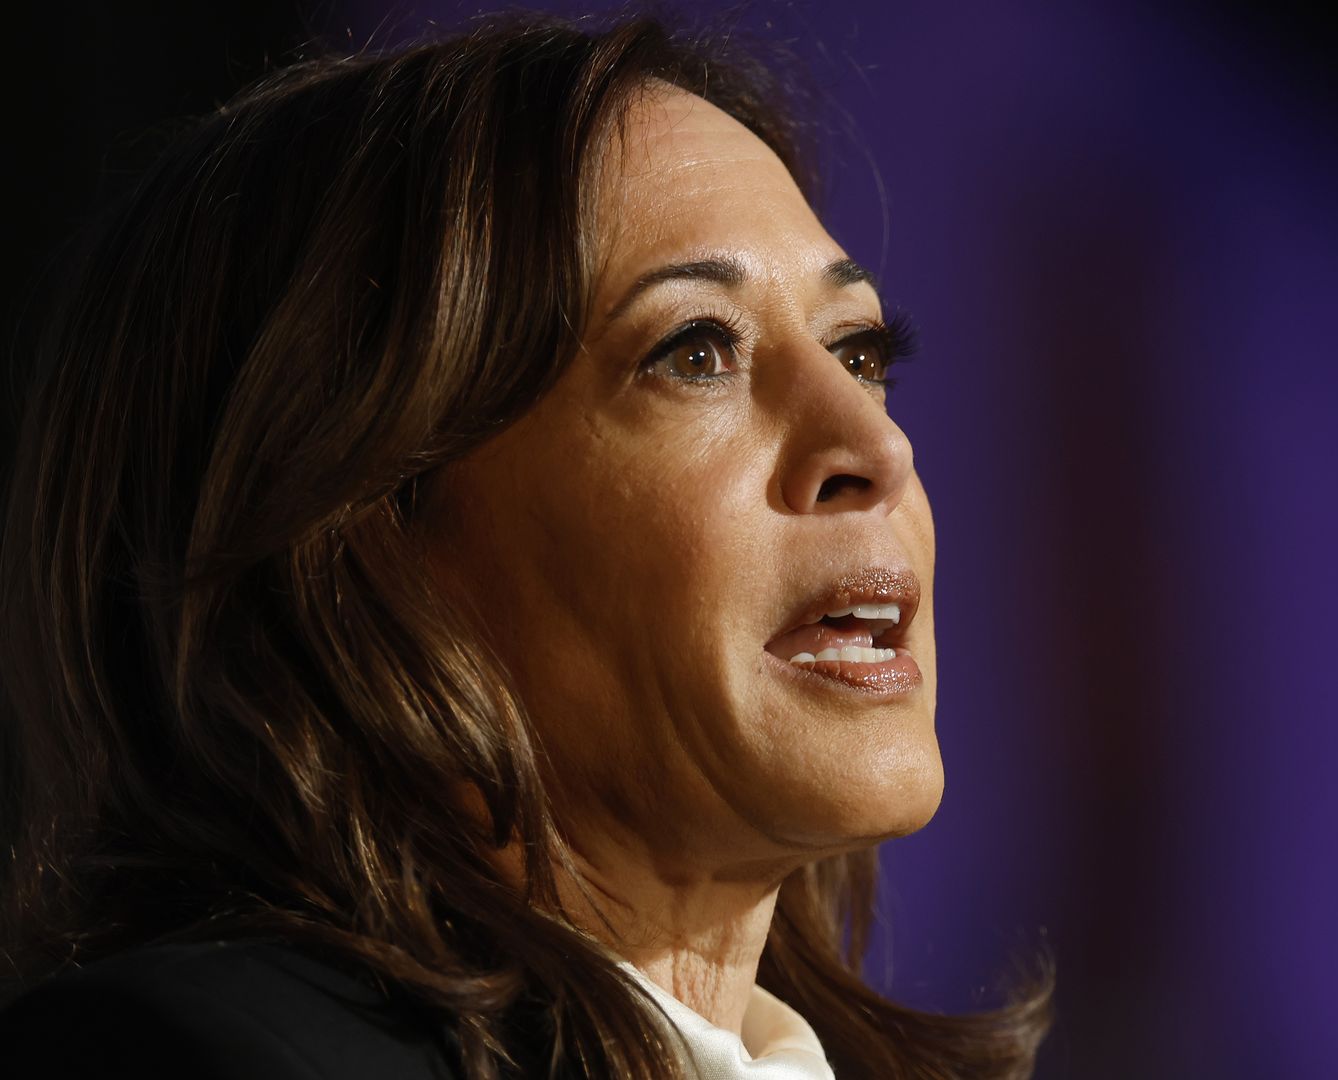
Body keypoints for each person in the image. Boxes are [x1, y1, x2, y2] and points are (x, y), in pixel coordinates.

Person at [0, 11, 1051, 1079]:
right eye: (695, 351)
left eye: (860, 352)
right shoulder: (191, 1060)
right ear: (356, 544)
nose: (876, 443)